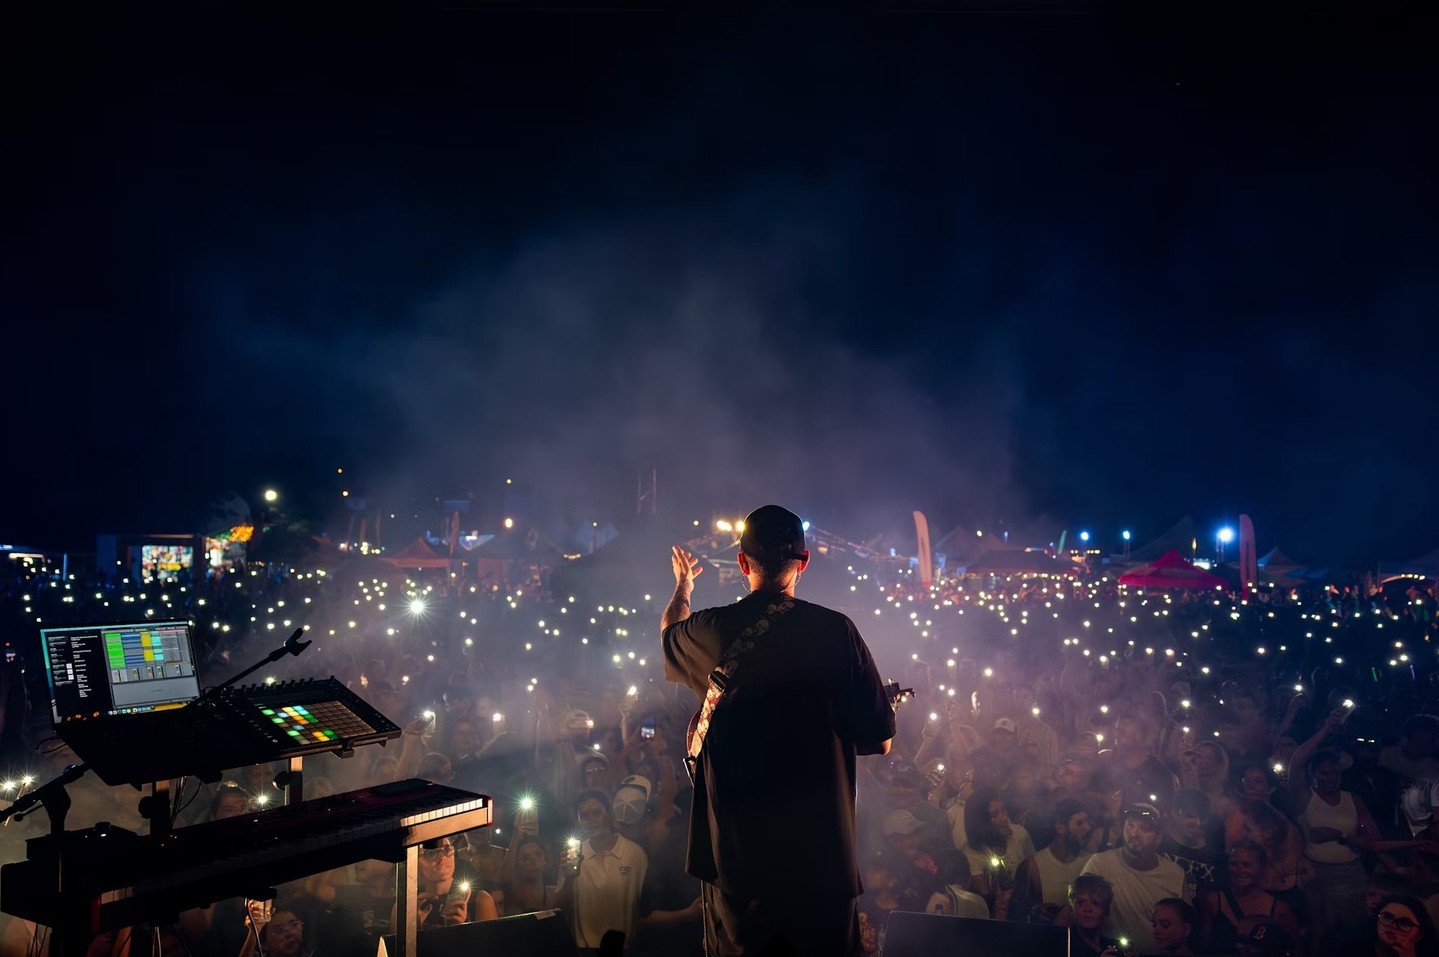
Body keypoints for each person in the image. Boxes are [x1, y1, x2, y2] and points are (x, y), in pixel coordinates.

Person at [662, 505, 896, 957]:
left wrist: (683, 585)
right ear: (803, 562)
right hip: (822, 870)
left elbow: (669, 631)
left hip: (739, 871)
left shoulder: (713, 629)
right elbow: (881, 741)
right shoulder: (837, 632)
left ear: (742, 561)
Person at [1079, 803, 1188, 954]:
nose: (1135, 833)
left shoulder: (1175, 874)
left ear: (1158, 836)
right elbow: (1077, 911)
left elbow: (1184, 931)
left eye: (1144, 828)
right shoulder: (1100, 864)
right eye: (1130, 825)